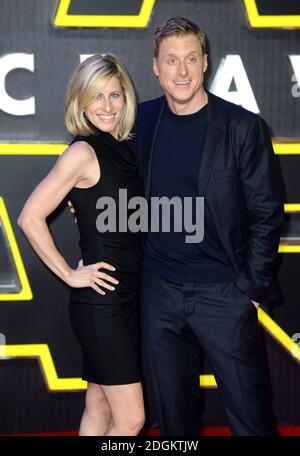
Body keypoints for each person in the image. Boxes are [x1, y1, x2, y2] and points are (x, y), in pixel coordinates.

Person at [131, 17, 284, 435]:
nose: (182, 71)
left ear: (205, 63)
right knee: (175, 424)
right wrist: (80, 200)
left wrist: (250, 290)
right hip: (159, 292)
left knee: (252, 420)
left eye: (191, 59)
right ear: (155, 67)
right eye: (172, 60)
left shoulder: (241, 127)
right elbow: (97, 159)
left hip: (224, 295)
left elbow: (267, 212)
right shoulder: (140, 122)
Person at [17, 54, 145, 436]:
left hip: (126, 300)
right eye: (96, 97)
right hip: (100, 304)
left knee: (100, 407)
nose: (107, 106)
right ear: (81, 102)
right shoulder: (83, 151)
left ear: (126, 98)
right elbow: (30, 216)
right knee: (132, 419)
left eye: (115, 95)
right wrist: (70, 274)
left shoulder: (122, 149)